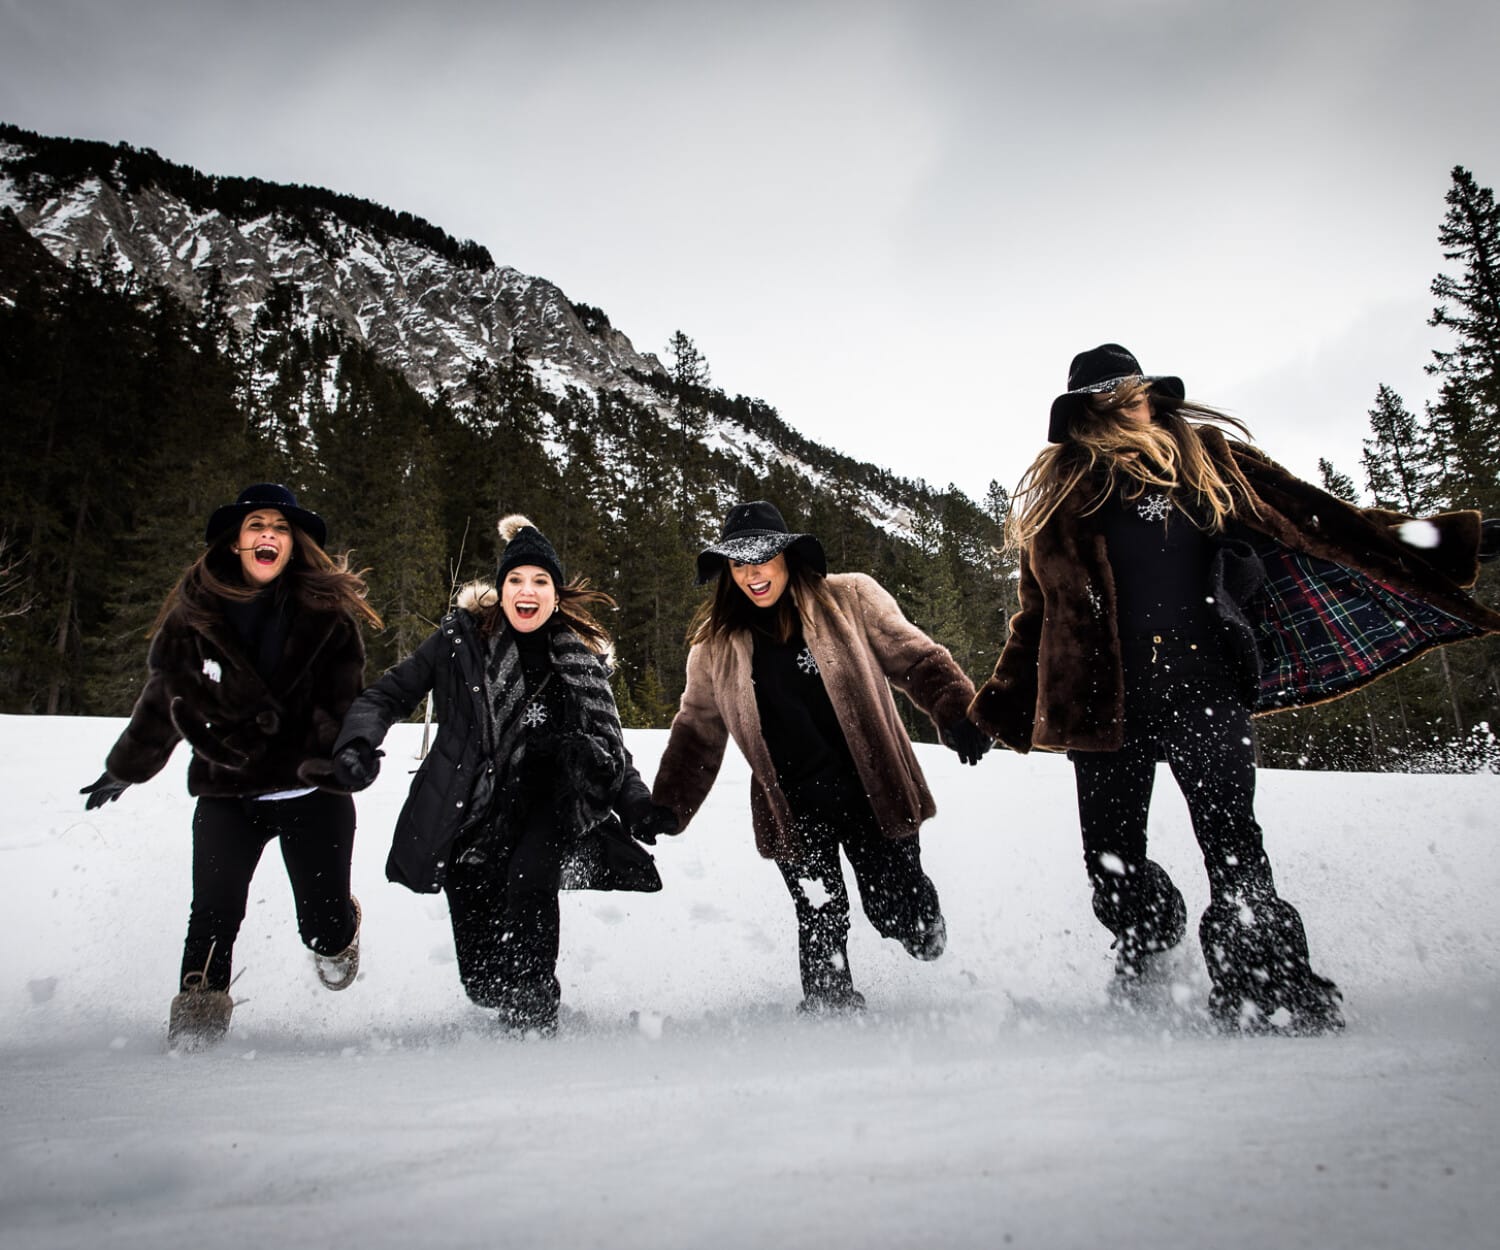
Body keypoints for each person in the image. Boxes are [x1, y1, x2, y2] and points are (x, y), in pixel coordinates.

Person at [969, 343, 1500, 1035]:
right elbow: (1038, 616)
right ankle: (1147, 938)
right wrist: (994, 709)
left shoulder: (1208, 461)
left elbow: (1327, 521)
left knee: (1233, 843)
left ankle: (1266, 987)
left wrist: (1463, 539)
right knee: (1111, 857)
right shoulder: (1066, 500)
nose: (1127, 399)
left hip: (1204, 685)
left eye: (1133, 385)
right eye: (1108, 394)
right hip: (1103, 703)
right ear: (1084, 414)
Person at [332, 515, 670, 1036]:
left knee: (529, 879)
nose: (527, 592)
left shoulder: (578, 661)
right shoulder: (460, 642)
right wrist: (357, 741)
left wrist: (639, 805)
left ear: (556, 595)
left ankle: (535, 1017)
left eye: (540, 582)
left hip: (552, 803)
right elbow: (387, 694)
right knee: (484, 981)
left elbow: (611, 752)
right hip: (473, 810)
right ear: (501, 587)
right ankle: (511, 996)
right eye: (516, 580)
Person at [651, 501, 991, 1013]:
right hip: (793, 806)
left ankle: (920, 920)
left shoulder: (850, 598)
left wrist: (957, 710)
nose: (752, 573)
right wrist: (668, 805)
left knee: (897, 915)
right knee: (820, 913)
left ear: (788, 555)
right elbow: (697, 732)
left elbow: (916, 658)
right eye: (738, 563)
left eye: (762, 558)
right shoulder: (714, 647)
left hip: (871, 790)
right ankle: (831, 1012)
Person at [80, 483, 381, 1049]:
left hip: (310, 793)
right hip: (227, 791)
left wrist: (346, 754)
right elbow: (164, 699)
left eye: (281, 527)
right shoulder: (194, 615)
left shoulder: (328, 616)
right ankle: (196, 1029)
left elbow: (343, 702)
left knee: (321, 927)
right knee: (213, 914)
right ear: (237, 542)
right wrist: (127, 765)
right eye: (256, 525)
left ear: (293, 547)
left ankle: (340, 929)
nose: (268, 533)